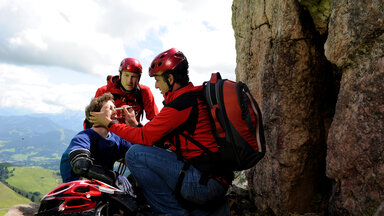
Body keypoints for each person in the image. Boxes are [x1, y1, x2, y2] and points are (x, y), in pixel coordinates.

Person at [89, 48, 233, 216]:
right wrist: (135, 126)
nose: (156, 85)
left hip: (203, 183)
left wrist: (109, 124)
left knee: (135, 154)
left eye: (158, 80)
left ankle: (172, 213)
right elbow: (157, 138)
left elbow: (145, 137)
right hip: (211, 178)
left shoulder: (180, 105)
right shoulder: (190, 97)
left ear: (170, 78)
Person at [60, 93, 133, 193]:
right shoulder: (84, 137)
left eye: (115, 107)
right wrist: (114, 178)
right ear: (95, 114)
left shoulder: (117, 139)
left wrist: (132, 126)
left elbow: (138, 155)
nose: (115, 111)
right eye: (110, 108)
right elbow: (81, 165)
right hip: (78, 194)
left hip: (102, 192)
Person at [84, 57, 159, 128]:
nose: (129, 81)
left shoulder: (144, 92)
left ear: (139, 78)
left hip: (132, 136)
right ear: (120, 75)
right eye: (126, 75)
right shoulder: (104, 91)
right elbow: (91, 119)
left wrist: (137, 126)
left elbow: (155, 120)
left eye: (133, 76)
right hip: (108, 136)